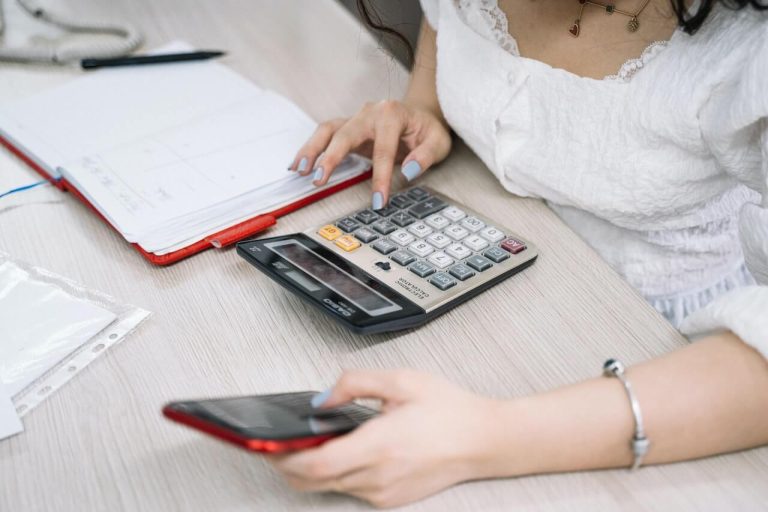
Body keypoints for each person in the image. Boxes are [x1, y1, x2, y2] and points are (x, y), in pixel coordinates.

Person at [279, 0, 768, 508]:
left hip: (672, 359)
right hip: (508, 299)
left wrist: (479, 438)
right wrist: (423, 112)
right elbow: (446, 36)